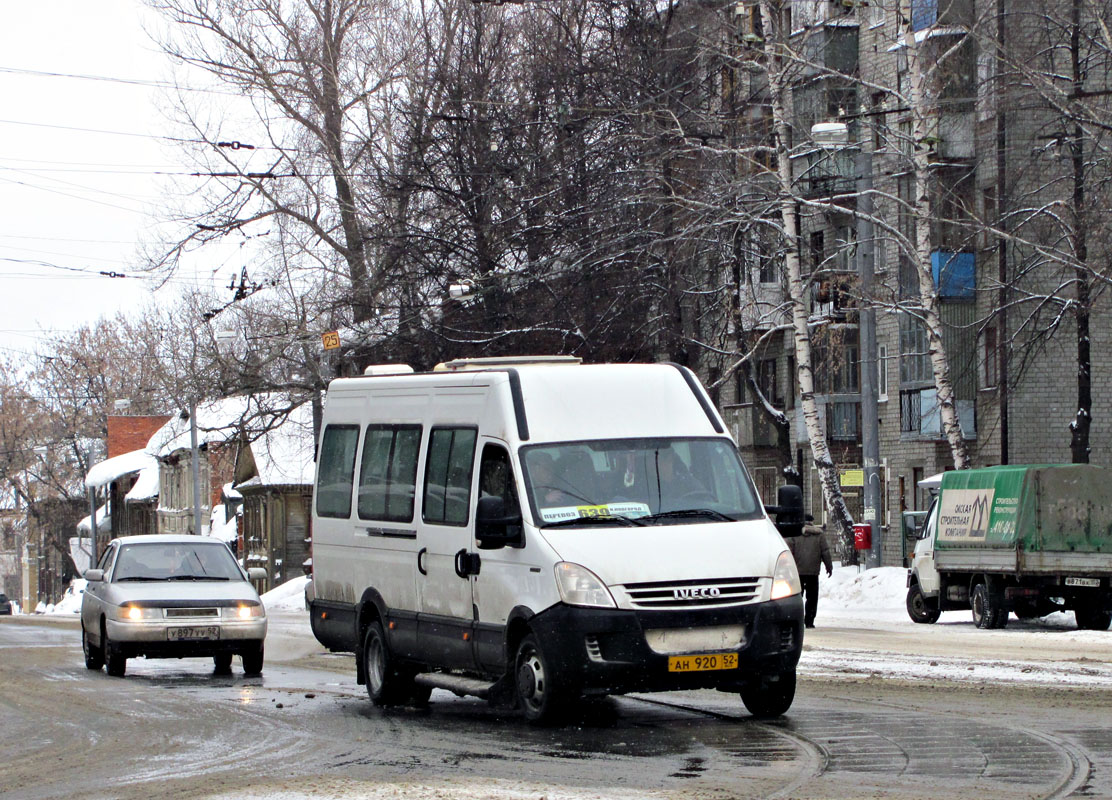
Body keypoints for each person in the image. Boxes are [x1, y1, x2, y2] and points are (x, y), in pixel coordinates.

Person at [787, 520, 833, 629]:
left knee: (797, 597)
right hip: (813, 572)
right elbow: (825, 552)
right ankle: (809, 621)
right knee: (812, 598)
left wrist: (788, 568)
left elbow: (789, 551)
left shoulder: (794, 534)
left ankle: (796, 620)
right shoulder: (819, 535)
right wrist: (828, 566)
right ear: (812, 523)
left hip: (797, 572)